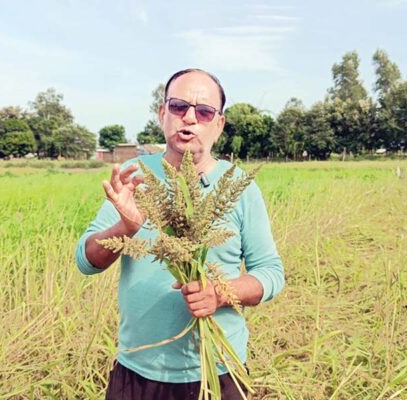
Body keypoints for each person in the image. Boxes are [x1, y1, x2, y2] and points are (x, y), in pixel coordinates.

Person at [76, 68, 284, 399]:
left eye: (203, 112)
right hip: (138, 372)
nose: (189, 118)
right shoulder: (137, 179)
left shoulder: (240, 188)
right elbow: (86, 261)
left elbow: (271, 274)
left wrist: (220, 292)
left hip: (218, 371)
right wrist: (125, 228)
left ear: (219, 124)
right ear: (162, 114)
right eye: (178, 107)